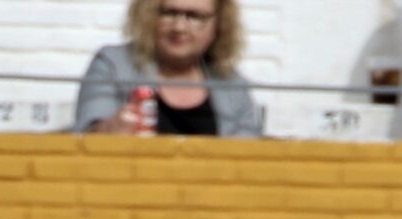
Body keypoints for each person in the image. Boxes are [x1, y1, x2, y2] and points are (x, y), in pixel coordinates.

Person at [74, 0, 265, 139]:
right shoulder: (112, 65)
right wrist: (108, 130)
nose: (179, 27)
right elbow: (84, 139)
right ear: (148, 15)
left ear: (219, 23)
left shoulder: (232, 84)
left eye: (195, 17)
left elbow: (247, 160)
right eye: (168, 13)